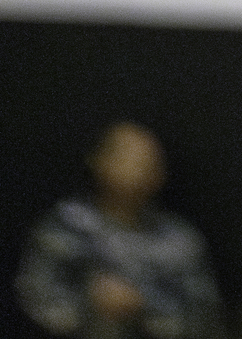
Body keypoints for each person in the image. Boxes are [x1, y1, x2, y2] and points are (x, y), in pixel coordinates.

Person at [16, 122, 222, 339]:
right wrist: (91, 303)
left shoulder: (180, 238)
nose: (140, 171)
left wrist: (144, 309)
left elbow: (206, 317)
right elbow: (33, 296)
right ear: (98, 161)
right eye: (129, 159)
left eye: (150, 164)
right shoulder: (66, 225)